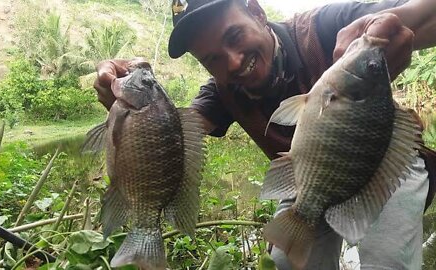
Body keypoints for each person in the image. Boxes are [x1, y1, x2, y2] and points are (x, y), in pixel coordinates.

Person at [93, 0, 436, 269]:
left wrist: (393, 22)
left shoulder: (328, 27)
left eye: (234, 37)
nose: (233, 62)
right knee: (286, 262)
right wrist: (134, 108)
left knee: (387, 262)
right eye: (212, 58)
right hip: (306, 180)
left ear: (256, 11)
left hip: (383, 165)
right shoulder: (221, 93)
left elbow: (424, 16)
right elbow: (171, 134)